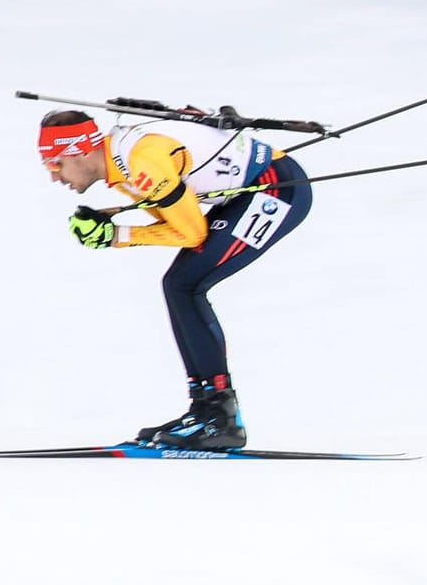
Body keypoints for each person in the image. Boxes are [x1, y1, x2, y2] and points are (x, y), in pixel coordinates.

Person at [38, 108, 312, 450]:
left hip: (276, 190)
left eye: (54, 164)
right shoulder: (121, 163)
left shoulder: (140, 163)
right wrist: (115, 223)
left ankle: (220, 417)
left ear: (78, 152)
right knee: (180, 285)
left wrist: (117, 234)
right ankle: (205, 410)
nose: (54, 177)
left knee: (185, 285)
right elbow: (172, 211)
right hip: (247, 190)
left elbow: (191, 232)